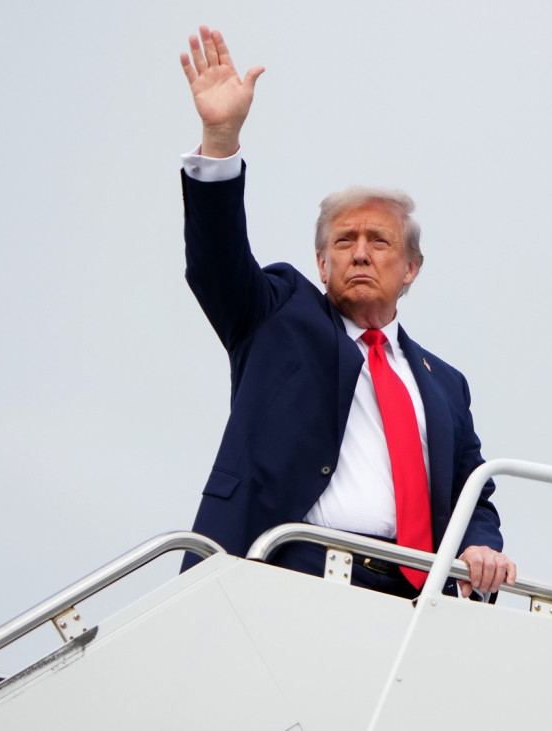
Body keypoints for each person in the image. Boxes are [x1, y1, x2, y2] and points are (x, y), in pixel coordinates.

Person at [177, 25, 514, 600]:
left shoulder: (446, 385)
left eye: (378, 241)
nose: (359, 252)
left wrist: (480, 545)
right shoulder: (278, 313)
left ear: (411, 268)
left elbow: (470, 494)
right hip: (286, 570)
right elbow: (216, 264)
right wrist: (219, 139)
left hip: (412, 598)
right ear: (321, 263)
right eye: (343, 241)